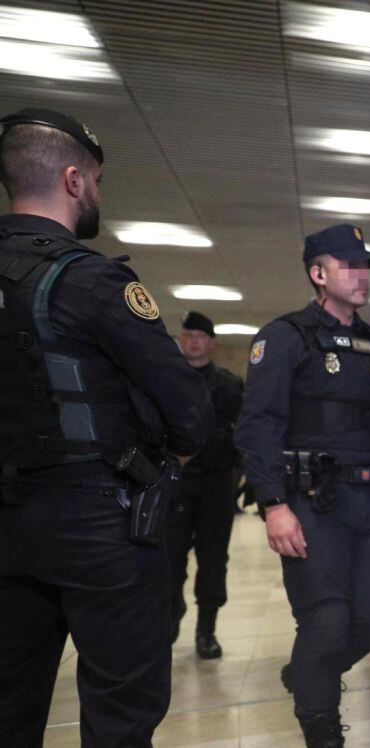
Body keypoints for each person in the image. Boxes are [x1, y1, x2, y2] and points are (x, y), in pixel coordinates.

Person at [0, 108, 212, 746]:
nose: (95, 192)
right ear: (72, 179)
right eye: (94, 178)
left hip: (6, 525)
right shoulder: (92, 280)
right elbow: (190, 414)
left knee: (9, 705)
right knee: (121, 711)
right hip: (98, 528)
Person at [234, 224, 370, 747]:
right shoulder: (284, 337)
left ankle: (307, 672)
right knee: (326, 622)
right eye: (348, 264)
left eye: (364, 265)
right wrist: (272, 503)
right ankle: (324, 734)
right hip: (311, 503)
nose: (360, 274)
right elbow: (257, 425)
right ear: (318, 273)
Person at [166, 310, 244, 659]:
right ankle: (169, 619)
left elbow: (244, 433)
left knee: (213, 559)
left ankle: (206, 630)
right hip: (175, 483)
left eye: (200, 335)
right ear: (181, 339)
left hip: (215, 483)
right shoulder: (164, 379)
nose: (194, 341)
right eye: (188, 334)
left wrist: (245, 476)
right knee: (168, 558)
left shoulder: (229, 385)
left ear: (211, 342)